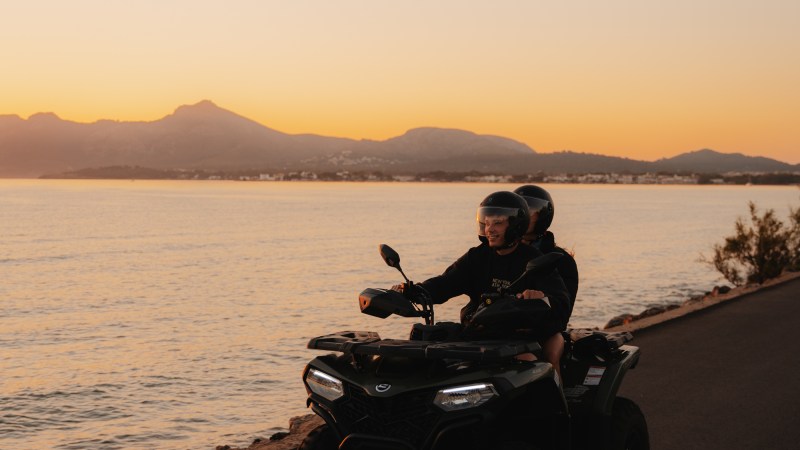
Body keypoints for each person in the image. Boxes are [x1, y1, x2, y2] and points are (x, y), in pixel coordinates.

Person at [404, 191, 570, 377]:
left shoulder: (534, 260)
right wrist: (411, 291)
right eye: (487, 222)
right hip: (479, 335)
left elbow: (561, 303)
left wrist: (542, 299)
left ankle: (550, 396)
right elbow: (444, 283)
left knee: (527, 363)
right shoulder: (477, 257)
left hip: (518, 337)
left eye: (497, 223)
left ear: (515, 224)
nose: (490, 229)